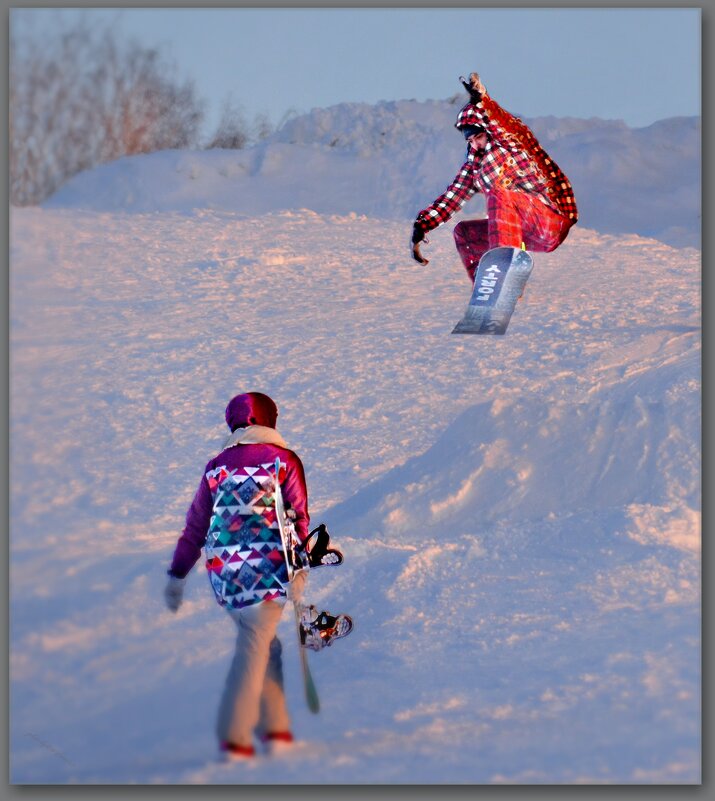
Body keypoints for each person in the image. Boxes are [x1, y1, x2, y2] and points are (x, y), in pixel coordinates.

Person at [164, 391, 310, 760]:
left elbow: (196, 525)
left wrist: (178, 574)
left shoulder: (216, 466)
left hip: (226, 574)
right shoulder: (284, 460)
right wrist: (302, 567)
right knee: (255, 644)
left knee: (263, 642)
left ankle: (274, 729)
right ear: (270, 420)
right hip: (271, 567)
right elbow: (300, 516)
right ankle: (235, 736)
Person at [411, 72, 578, 283]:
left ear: (488, 132)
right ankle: (490, 290)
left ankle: (505, 272)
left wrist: (483, 102)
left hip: (549, 221)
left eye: (478, 137)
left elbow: (506, 127)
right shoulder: (475, 164)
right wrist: (423, 224)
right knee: (463, 233)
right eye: (470, 140)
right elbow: (454, 196)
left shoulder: (512, 146)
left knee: (499, 195)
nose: (475, 145)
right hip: (521, 233)